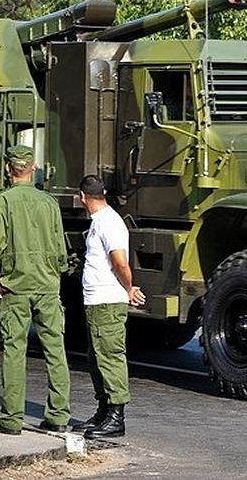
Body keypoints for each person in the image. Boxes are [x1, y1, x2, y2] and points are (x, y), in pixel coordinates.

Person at [0, 145, 71, 435]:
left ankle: (11, 419)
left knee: (14, 351)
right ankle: (58, 415)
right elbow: (60, 250)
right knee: (55, 351)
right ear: (33, 167)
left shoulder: (3, 202)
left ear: (9, 169)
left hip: (16, 286)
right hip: (47, 285)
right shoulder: (50, 203)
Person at [74, 174, 145, 439]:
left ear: (83, 197)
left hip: (107, 300)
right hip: (97, 300)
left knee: (110, 356)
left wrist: (128, 288)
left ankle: (116, 417)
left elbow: (120, 262)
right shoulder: (100, 221)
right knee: (97, 358)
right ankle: (104, 411)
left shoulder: (109, 223)